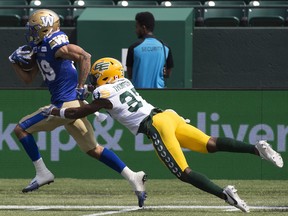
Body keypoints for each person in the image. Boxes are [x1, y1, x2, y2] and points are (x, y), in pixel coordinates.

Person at [42, 57, 284, 213]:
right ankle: (255, 148)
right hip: (169, 116)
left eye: (96, 77)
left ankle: (225, 195)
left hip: (156, 124)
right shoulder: (124, 82)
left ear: (104, 76)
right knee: (209, 143)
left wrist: (54, 110)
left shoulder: (103, 93)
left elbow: (78, 111)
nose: (94, 81)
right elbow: (102, 100)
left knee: (183, 172)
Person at [8, 10, 147, 207]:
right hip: (71, 105)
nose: (32, 33)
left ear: (47, 28)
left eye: (35, 29)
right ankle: (133, 176)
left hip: (64, 104)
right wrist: (13, 63)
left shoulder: (54, 43)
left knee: (20, 128)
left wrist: (81, 87)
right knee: (93, 149)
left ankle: (42, 173)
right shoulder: (41, 47)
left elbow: (84, 56)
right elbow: (28, 79)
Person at [126, 11, 174, 88]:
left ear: (143, 28)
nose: (136, 30)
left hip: (139, 94)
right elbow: (167, 74)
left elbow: (130, 74)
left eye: (137, 27)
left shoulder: (133, 48)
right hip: (159, 94)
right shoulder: (165, 47)